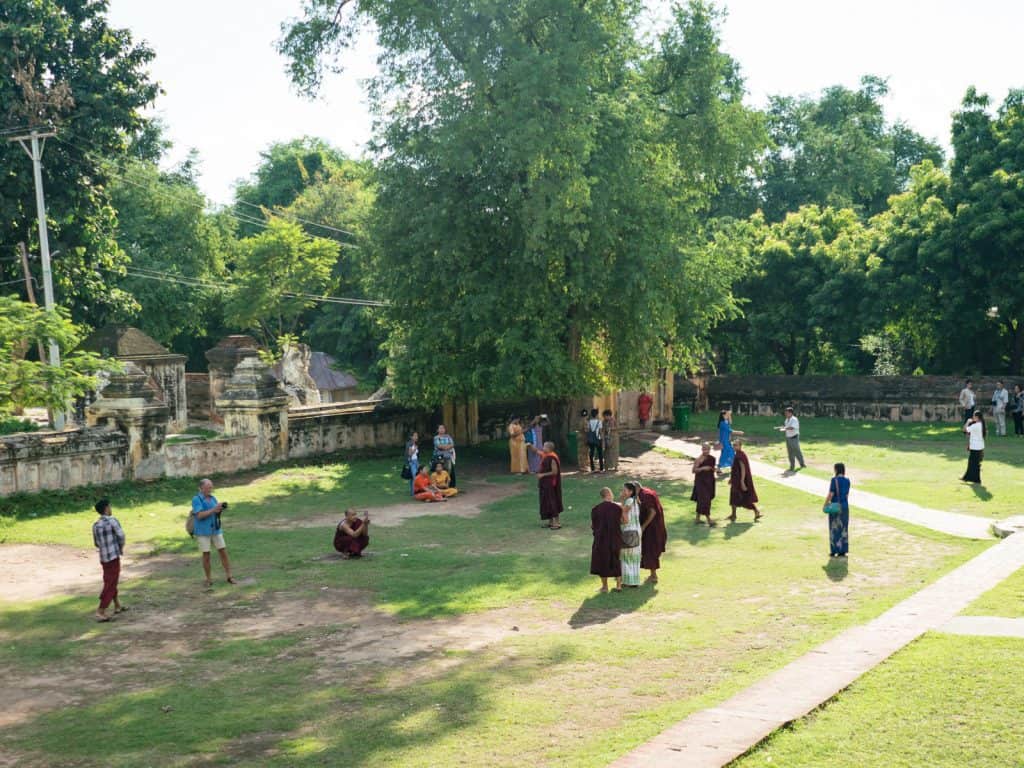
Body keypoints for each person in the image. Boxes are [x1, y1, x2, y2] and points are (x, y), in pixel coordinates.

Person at [191, 478, 235, 587]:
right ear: (201, 488)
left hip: (215, 529)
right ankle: (208, 579)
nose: (210, 489)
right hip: (203, 532)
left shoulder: (213, 498)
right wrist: (213, 509)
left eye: (211, 487)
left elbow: (214, 512)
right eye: (208, 487)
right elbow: (199, 515)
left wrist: (219, 510)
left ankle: (229, 576)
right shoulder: (196, 499)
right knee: (206, 555)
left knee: (223, 552)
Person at [92, 498, 125, 622]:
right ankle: (101, 610)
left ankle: (117, 605)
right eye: (110, 507)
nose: (111, 509)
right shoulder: (112, 521)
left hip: (104, 557)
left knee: (109, 579)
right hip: (113, 556)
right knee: (111, 583)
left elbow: (96, 543)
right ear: (106, 508)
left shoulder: (96, 525)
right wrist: (120, 547)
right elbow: (121, 536)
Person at [590, 487, 623, 593]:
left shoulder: (596, 509)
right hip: (615, 537)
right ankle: (618, 585)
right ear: (609, 494)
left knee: (602, 561)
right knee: (616, 559)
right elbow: (622, 521)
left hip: (601, 538)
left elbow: (593, 525)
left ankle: (605, 587)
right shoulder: (617, 508)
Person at [635, 482, 667, 584]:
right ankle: (652, 574)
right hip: (654, 525)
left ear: (636, 488)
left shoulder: (646, 495)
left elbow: (653, 512)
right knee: (648, 549)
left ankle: (654, 575)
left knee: (650, 549)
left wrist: (643, 526)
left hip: (652, 527)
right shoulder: (645, 492)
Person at [728, 438, 762, 522]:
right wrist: (731, 479)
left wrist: (742, 481)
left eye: (736, 445)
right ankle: (733, 515)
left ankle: (756, 511)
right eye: (733, 445)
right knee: (733, 497)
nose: (734, 446)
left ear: (740, 446)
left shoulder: (740, 455)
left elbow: (743, 469)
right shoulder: (737, 454)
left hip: (740, 481)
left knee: (744, 499)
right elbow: (735, 469)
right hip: (735, 480)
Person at [823, 464, 851, 558]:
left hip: (835, 507)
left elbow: (831, 494)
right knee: (844, 528)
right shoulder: (847, 481)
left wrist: (825, 504)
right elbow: (847, 495)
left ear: (836, 470)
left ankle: (834, 550)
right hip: (845, 506)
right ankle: (843, 550)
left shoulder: (834, 480)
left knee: (834, 528)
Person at [618, 483, 643, 587]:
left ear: (630, 491)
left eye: (624, 490)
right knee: (634, 556)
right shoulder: (635, 500)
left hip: (629, 530)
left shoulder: (629, 501)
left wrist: (620, 501)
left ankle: (628, 581)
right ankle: (634, 580)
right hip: (636, 530)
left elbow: (623, 512)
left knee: (626, 555)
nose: (623, 492)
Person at [537, 441, 563, 529]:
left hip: (551, 484)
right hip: (545, 484)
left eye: (544, 446)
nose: (543, 448)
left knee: (552, 502)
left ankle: (557, 523)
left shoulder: (552, 458)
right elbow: (537, 451)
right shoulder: (546, 456)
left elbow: (554, 472)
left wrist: (542, 475)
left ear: (548, 449)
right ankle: (550, 522)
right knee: (547, 502)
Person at [691, 442, 717, 526]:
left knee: (702, 500)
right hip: (701, 482)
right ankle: (709, 520)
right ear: (702, 449)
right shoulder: (699, 459)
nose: (706, 451)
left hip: (710, 481)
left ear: (710, 449)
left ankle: (697, 519)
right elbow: (694, 470)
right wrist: (703, 468)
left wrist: (715, 470)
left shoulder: (712, 458)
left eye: (707, 449)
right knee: (705, 500)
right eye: (704, 449)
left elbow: (712, 468)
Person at [776, 407, 806, 472]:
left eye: (787, 413)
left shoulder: (794, 419)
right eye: (785, 413)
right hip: (788, 438)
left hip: (794, 437)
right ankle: (792, 466)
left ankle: (802, 464)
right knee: (790, 453)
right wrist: (780, 427)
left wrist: (784, 429)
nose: (785, 414)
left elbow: (792, 427)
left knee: (797, 451)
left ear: (790, 413)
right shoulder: (786, 420)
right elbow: (786, 426)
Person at [961, 411, 986, 484]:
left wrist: (967, 422)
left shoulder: (976, 425)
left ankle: (975, 479)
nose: (973, 417)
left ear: (977, 417)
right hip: (979, 446)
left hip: (975, 447)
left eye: (974, 416)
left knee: (974, 463)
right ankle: (970, 478)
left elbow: (964, 429)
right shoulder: (981, 424)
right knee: (974, 463)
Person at [586, 408, 604, 473]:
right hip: (597, 439)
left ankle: (592, 468)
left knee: (591, 453)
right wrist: (602, 439)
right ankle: (601, 468)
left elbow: (587, 431)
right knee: (600, 454)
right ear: (597, 414)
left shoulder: (588, 422)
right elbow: (600, 431)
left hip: (591, 439)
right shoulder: (599, 422)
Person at [405, 431, 420, 496]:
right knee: (415, 477)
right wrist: (415, 449)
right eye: (415, 436)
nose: (416, 437)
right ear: (411, 437)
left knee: (413, 477)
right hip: (412, 462)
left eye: (417, 436)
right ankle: (415, 492)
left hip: (416, 461)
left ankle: (413, 492)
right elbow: (410, 454)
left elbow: (416, 454)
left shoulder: (415, 443)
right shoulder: (409, 444)